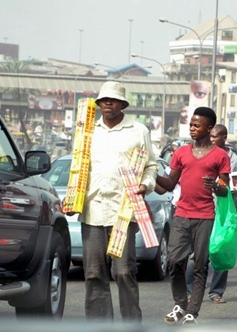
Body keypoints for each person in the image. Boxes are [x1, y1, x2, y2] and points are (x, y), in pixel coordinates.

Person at [75, 81, 157, 323]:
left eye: (112, 100)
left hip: (124, 212)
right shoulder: (88, 130)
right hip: (92, 211)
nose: (107, 104)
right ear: (99, 104)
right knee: (93, 274)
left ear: (122, 104)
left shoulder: (138, 131)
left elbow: (151, 166)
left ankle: (132, 324)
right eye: (103, 100)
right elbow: (78, 166)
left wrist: (145, 185)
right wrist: (71, 198)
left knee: (123, 272)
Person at [156, 107, 230, 326]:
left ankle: (192, 312)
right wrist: (151, 175)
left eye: (197, 125)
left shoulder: (220, 155)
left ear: (209, 128)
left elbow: (225, 188)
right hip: (181, 214)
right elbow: (169, 184)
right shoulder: (180, 153)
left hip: (205, 216)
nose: (192, 128)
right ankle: (180, 304)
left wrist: (216, 185)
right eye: (191, 125)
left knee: (200, 265)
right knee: (174, 261)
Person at [185, 124, 237, 304]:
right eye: (210, 136)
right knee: (195, 254)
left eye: (215, 137)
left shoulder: (233, 159)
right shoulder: (199, 153)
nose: (211, 140)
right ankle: (190, 291)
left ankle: (216, 292)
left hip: (220, 213)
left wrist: (230, 187)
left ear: (224, 138)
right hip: (200, 209)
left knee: (220, 250)